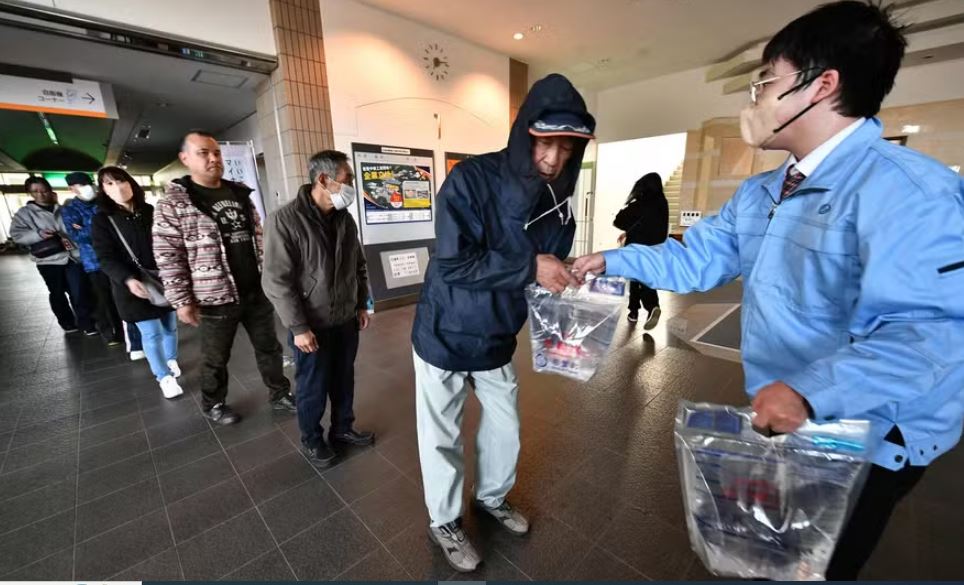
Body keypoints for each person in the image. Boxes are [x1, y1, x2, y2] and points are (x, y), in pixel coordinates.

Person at [573, 2, 964, 580]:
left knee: (820, 565)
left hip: (867, 433)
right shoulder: (762, 192)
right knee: (773, 550)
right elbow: (697, 259)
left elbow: (931, 332)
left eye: (764, 82)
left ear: (821, 85)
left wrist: (809, 391)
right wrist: (612, 256)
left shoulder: (910, 193)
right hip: (785, 411)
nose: (753, 101)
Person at [411, 74, 595, 572]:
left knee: (505, 428)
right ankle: (444, 519)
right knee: (440, 433)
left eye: (566, 147)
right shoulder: (470, 180)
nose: (554, 158)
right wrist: (532, 266)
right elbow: (452, 264)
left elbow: (543, 269)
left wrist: (566, 275)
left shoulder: (559, 203)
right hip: (445, 331)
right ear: (524, 134)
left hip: (496, 334)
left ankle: (492, 496)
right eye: (545, 142)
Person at [153, 130, 295, 424]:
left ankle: (280, 394)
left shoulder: (240, 192)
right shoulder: (174, 203)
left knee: (270, 348)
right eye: (203, 153)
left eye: (216, 153)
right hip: (213, 296)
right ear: (185, 158)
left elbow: (259, 238)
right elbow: (168, 256)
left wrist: (270, 277)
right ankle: (214, 403)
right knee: (215, 358)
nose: (213, 158)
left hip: (255, 290)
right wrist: (181, 300)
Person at [262, 150, 375, 468]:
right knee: (312, 385)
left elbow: (358, 264)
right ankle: (312, 440)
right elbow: (276, 281)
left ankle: (343, 429)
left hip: (345, 318)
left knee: (344, 378)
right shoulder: (284, 220)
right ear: (323, 180)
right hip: (310, 325)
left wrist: (361, 303)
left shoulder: (344, 219)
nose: (352, 185)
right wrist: (298, 328)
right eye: (347, 179)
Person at [91, 167, 183, 398]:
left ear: (130, 183)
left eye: (120, 181)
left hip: (161, 280)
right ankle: (164, 376)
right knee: (151, 333)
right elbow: (105, 257)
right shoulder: (102, 219)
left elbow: (167, 243)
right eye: (109, 184)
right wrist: (128, 279)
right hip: (131, 286)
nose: (117, 187)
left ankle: (171, 360)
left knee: (170, 326)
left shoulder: (149, 210)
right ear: (102, 190)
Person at [10, 176, 96, 335]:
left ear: (50, 190)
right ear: (29, 193)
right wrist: (39, 234)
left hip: (73, 256)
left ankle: (87, 323)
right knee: (57, 292)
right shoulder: (25, 213)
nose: (41, 194)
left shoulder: (64, 208)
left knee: (78, 290)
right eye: (35, 191)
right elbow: (17, 235)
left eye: (44, 190)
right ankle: (67, 322)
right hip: (49, 259)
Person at [62, 171, 125, 346]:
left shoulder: (104, 202)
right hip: (94, 262)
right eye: (81, 185)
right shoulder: (70, 209)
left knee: (122, 296)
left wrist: (87, 225)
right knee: (103, 300)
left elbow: (116, 226)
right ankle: (112, 334)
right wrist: (98, 225)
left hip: (117, 257)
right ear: (72, 188)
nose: (88, 187)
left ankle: (129, 331)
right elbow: (77, 236)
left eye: (88, 183)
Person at [613, 171, 668, 328]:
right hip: (656, 248)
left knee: (637, 278)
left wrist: (632, 205)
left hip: (637, 247)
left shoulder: (642, 202)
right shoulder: (662, 202)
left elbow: (618, 220)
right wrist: (629, 231)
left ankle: (644, 308)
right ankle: (637, 310)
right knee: (642, 277)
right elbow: (649, 223)